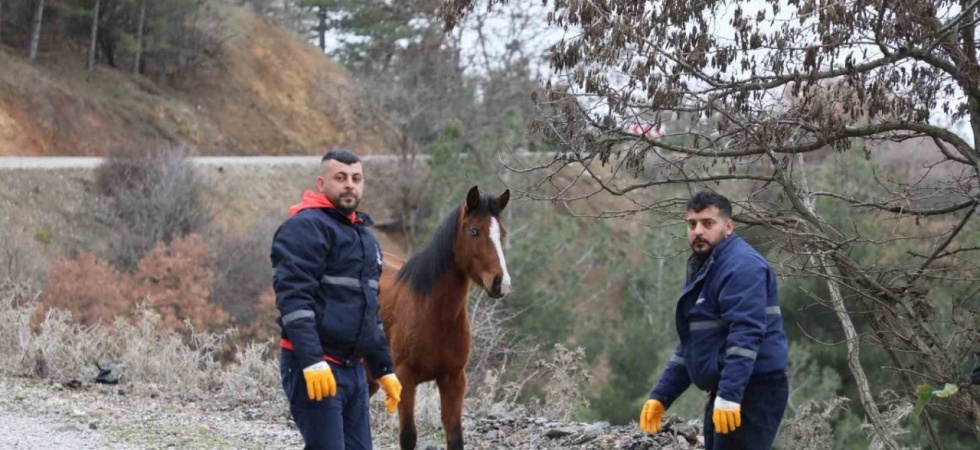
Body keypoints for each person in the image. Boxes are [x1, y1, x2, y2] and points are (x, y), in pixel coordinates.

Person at [271, 149, 402, 450]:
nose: (349, 185)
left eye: (356, 179)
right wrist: (312, 361)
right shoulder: (303, 228)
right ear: (321, 183)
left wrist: (383, 369)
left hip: (355, 371)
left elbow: (370, 311)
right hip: (315, 369)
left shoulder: (366, 238)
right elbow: (294, 302)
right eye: (340, 178)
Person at [639, 192, 789, 450]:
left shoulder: (742, 266)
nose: (698, 231)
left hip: (753, 391)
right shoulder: (707, 266)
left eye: (708, 223)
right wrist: (662, 395)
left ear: (728, 226)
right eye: (692, 224)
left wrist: (730, 396)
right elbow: (695, 343)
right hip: (728, 389)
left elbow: (745, 335)